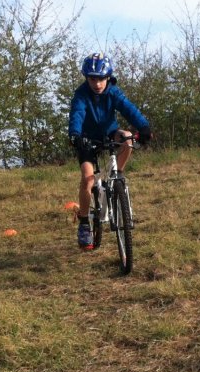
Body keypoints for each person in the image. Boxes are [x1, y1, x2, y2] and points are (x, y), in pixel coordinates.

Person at [68, 52, 151, 250]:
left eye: (101, 79)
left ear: (108, 77)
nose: (97, 84)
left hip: (109, 133)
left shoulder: (113, 92)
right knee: (88, 179)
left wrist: (144, 127)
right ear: (86, 78)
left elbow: (128, 108)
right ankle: (84, 223)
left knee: (127, 137)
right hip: (86, 138)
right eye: (92, 79)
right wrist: (75, 135)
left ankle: (117, 173)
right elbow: (77, 114)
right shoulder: (81, 95)